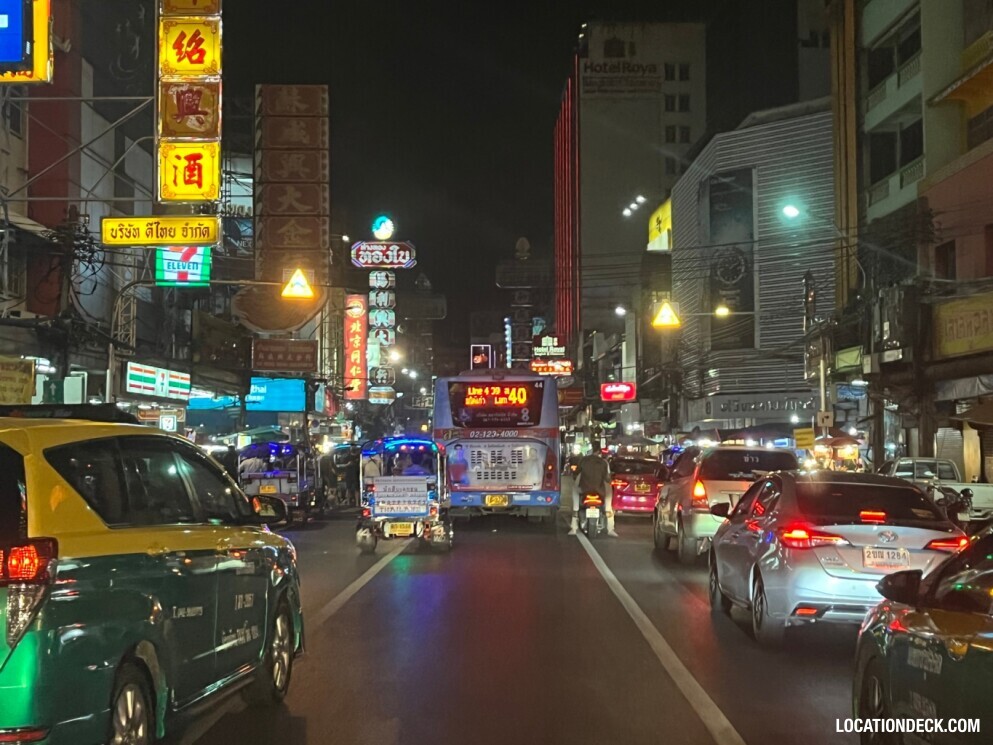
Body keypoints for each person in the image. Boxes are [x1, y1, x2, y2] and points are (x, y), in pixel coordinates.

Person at [570, 450, 617, 537]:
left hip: (584, 490)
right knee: (608, 503)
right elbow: (607, 478)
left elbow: (576, 473)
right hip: (600, 491)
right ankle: (610, 528)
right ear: (599, 452)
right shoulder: (604, 462)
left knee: (575, 492)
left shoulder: (583, 460)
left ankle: (574, 526)